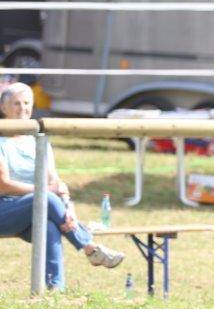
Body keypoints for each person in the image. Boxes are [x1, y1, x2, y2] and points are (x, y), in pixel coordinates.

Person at [0, 83, 124, 289]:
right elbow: (3, 186)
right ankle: (90, 248)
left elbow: (55, 183)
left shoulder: (38, 141)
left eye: (27, 103)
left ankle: (55, 289)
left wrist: (69, 209)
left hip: (37, 207)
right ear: (3, 108)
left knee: (50, 225)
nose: (23, 108)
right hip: (5, 209)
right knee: (47, 198)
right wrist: (45, 192)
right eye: (16, 103)